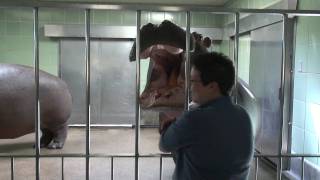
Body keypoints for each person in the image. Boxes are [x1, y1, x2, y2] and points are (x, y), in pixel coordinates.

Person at [159, 52, 254, 180]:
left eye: (193, 81)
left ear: (212, 86)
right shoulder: (244, 116)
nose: (189, 87)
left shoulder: (195, 119)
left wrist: (167, 127)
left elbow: (165, 144)